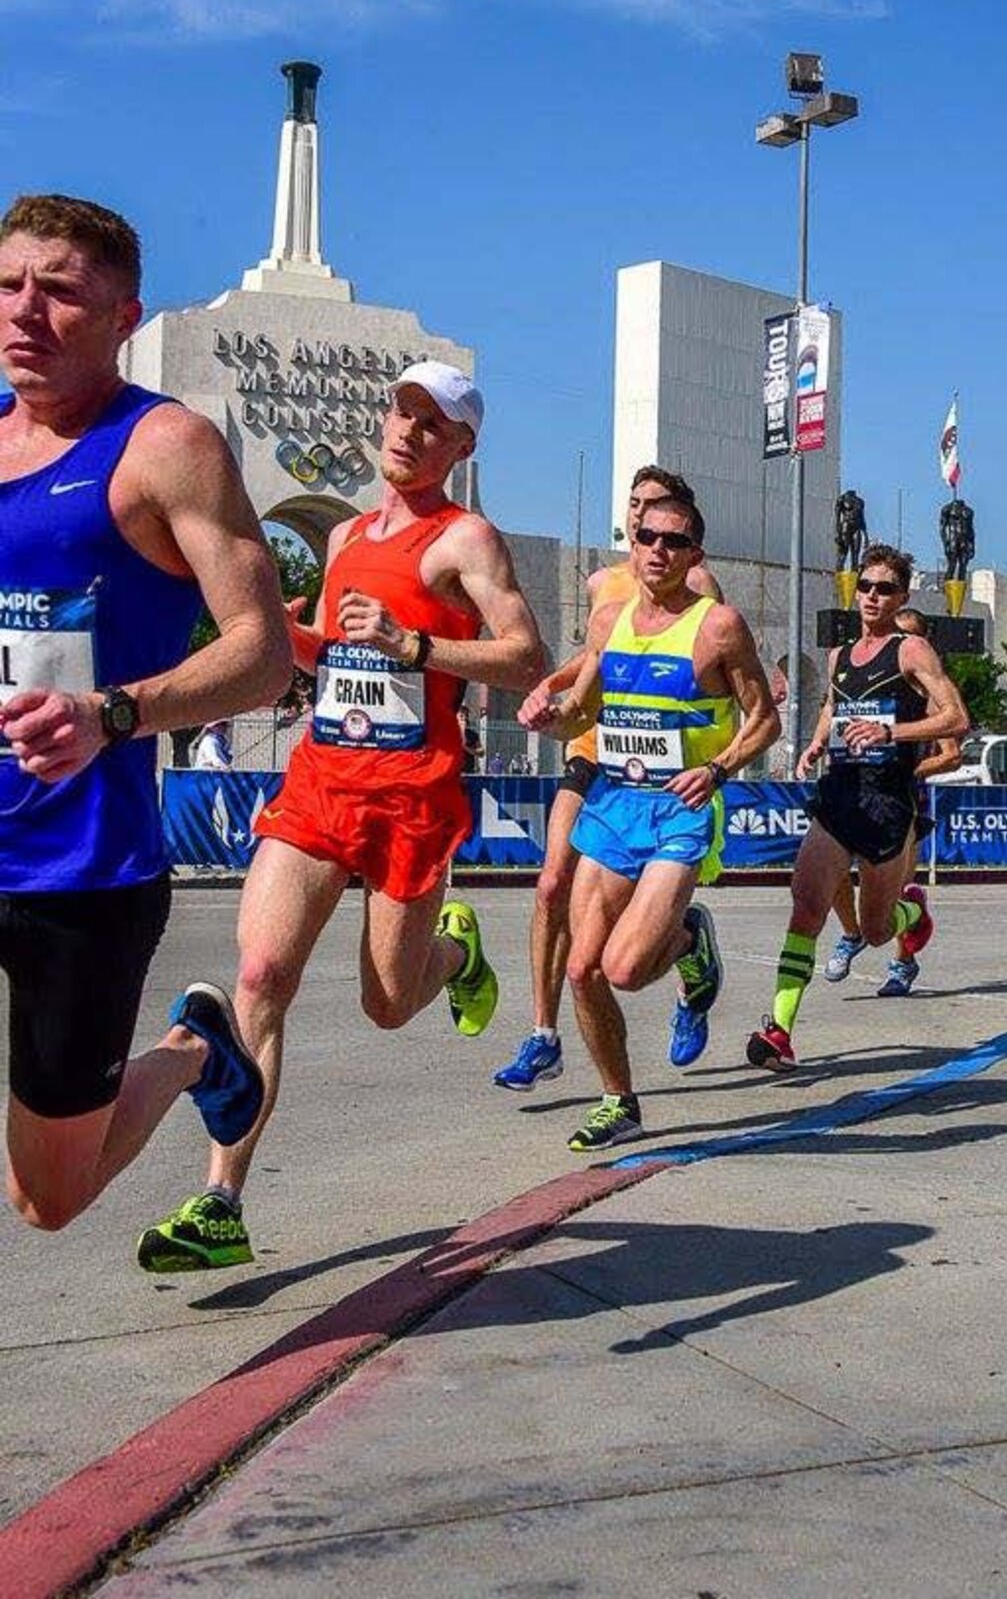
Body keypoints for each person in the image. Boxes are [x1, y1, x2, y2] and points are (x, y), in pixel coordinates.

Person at [137, 362, 544, 1270]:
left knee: (389, 1003)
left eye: (431, 425)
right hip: (321, 783)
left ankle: (455, 953)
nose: (406, 431)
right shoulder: (348, 535)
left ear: (462, 449)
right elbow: (328, 650)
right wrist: (294, 635)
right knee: (260, 974)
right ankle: (220, 1202)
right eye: (399, 413)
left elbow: (526, 658)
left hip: (411, 797)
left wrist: (417, 644)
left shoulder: (466, 540)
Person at [0, 192, 291, 1233]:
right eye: (9, 285)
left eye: (61, 291)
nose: (26, 311)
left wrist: (109, 711)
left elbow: (265, 655)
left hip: (80, 873)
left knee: (48, 1196)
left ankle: (195, 1051)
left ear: (125, 315)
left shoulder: (164, 447)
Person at [520, 491, 778, 1151]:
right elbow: (583, 711)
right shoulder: (609, 620)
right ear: (631, 547)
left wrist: (718, 770)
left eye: (674, 540)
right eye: (647, 537)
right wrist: (552, 717)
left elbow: (764, 719)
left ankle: (691, 943)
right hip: (613, 806)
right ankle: (619, 1099)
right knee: (581, 968)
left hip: (681, 812)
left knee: (627, 969)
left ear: (695, 555)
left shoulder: (718, 626)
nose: (658, 550)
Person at [492, 468, 721, 1093]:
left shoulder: (696, 583)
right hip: (594, 747)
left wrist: (718, 758)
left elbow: (701, 658)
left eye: (657, 514)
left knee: (625, 953)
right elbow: (597, 656)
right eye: (636, 511)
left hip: (659, 774)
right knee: (549, 884)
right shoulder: (603, 585)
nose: (645, 525)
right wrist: (555, 688)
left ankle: (682, 950)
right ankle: (543, 1033)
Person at [748, 547, 968, 1070]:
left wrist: (893, 731)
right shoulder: (839, 655)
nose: (872, 596)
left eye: (885, 588)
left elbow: (957, 717)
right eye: (866, 586)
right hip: (841, 792)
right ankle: (779, 1031)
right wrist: (817, 743)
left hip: (888, 802)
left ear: (902, 596)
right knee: (806, 903)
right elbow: (833, 704)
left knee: (875, 930)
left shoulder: (911, 651)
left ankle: (912, 914)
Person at [824, 606, 961, 997]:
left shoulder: (930, 690)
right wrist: (820, 745)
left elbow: (951, 754)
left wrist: (908, 767)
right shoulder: (859, 673)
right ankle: (851, 934)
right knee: (831, 874)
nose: (895, 641)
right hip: (854, 792)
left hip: (904, 801)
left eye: (907, 635)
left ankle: (903, 962)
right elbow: (833, 715)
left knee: (895, 893)